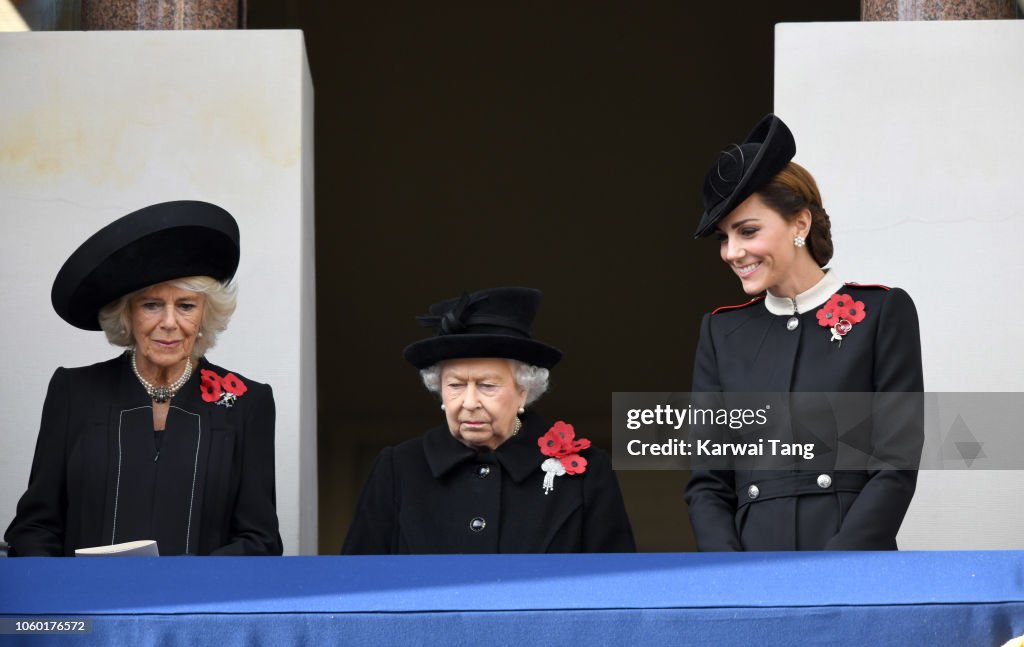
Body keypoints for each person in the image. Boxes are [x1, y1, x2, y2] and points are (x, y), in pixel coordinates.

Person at [683, 114, 923, 551]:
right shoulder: (722, 332)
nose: (732, 252)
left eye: (748, 231)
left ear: (800, 224)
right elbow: (707, 482)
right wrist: (733, 577)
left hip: (853, 570)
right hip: (752, 578)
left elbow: (895, 463)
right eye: (724, 237)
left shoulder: (882, 312)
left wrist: (834, 572)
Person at [5, 200, 282, 556]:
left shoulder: (247, 403)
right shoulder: (74, 393)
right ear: (127, 315)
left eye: (185, 305)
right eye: (151, 305)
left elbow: (260, 541)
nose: (169, 322)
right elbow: (35, 528)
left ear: (204, 315)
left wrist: (183, 586)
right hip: (88, 605)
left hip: (197, 607)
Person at [343, 287, 635, 554]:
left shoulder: (584, 474)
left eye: (487, 386)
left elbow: (615, 588)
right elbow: (355, 586)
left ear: (524, 392)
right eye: (455, 385)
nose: (469, 403)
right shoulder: (399, 468)